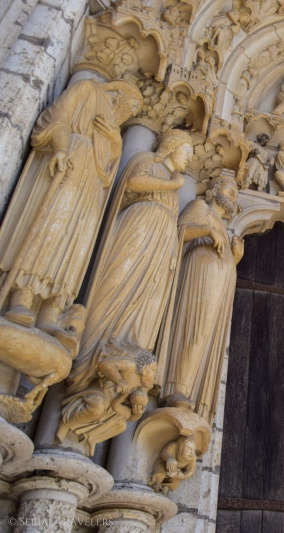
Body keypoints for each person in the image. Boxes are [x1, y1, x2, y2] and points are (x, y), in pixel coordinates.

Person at [0, 80, 142, 342]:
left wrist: (115, 142)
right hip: (70, 163)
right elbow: (58, 117)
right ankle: (21, 296)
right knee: (50, 228)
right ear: (120, 91)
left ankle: (51, 311)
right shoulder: (87, 89)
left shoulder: (114, 126)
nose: (130, 112)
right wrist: (61, 147)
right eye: (132, 105)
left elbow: (109, 168)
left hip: (92, 186)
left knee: (75, 243)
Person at [66, 130, 193, 397]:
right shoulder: (147, 161)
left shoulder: (174, 182)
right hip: (138, 227)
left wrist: (172, 250)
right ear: (171, 147)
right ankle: (90, 352)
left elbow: (173, 219)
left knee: (146, 300)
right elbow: (134, 182)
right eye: (187, 151)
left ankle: (123, 358)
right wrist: (174, 184)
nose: (190, 159)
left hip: (160, 244)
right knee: (115, 285)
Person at [163, 178, 243, 421]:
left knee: (205, 335)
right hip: (198, 278)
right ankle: (176, 388)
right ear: (214, 189)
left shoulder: (220, 222)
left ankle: (190, 392)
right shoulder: (199, 207)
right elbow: (178, 233)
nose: (233, 196)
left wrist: (234, 258)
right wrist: (207, 231)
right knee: (194, 329)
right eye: (229, 189)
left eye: (235, 193)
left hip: (217, 283)